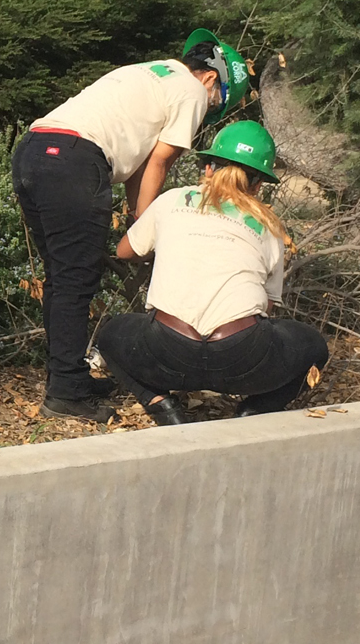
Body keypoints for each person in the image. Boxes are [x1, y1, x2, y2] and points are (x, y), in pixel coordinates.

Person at [12, 29, 253, 420]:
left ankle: (68, 377)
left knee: (62, 277)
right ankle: (65, 393)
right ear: (211, 78)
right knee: (76, 280)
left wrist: (135, 219)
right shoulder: (191, 92)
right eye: (219, 102)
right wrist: (146, 229)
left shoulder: (151, 73)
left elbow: (138, 168)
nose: (210, 109)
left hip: (34, 151)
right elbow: (159, 162)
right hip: (74, 161)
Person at [90, 121, 328, 426]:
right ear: (257, 185)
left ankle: (161, 404)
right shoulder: (268, 224)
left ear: (208, 170)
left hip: (167, 349)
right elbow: (268, 305)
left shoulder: (173, 200)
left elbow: (124, 251)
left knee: (112, 334)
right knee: (314, 347)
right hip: (242, 357)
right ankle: (255, 409)